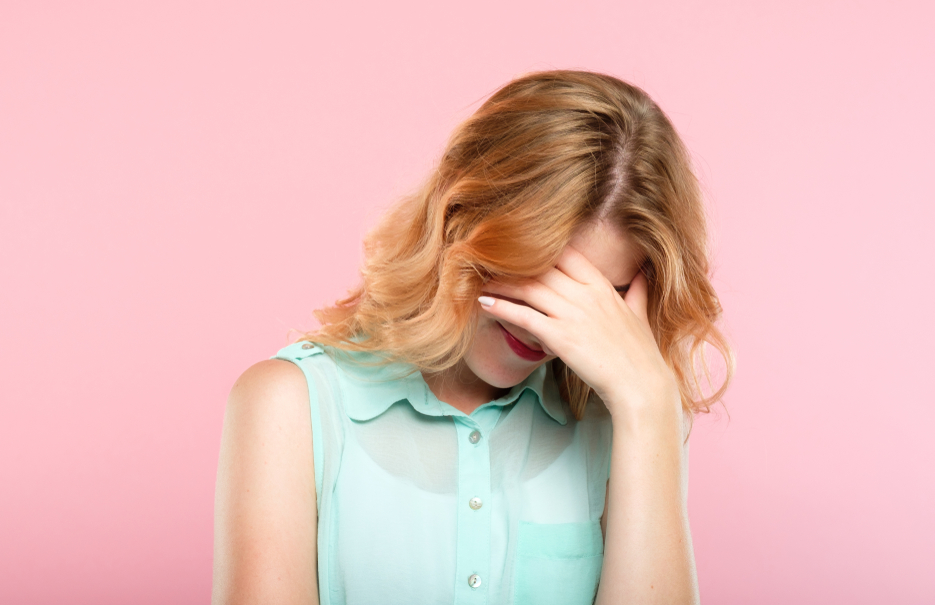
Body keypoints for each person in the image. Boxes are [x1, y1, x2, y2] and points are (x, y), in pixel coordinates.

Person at [211, 70, 734, 605]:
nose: (545, 321)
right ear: (459, 216)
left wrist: (650, 406)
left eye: (597, 298)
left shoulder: (626, 422)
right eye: (538, 270)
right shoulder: (292, 406)